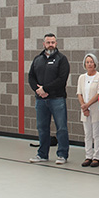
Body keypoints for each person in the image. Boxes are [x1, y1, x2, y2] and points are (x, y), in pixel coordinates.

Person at [28, 33, 71, 164]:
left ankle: (62, 154)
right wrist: (38, 90)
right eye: (48, 42)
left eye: (53, 42)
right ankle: (42, 155)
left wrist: (45, 89)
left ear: (56, 43)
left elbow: (62, 79)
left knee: (61, 127)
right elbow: (31, 77)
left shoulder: (61, 59)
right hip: (40, 100)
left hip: (57, 99)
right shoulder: (37, 59)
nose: (51, 44)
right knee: (42, 127)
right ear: (44, 44)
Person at [76, 53, 99, 167]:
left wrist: (87, 105)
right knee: (87, 134)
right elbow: (79, 93)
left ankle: (96, 157)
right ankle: (88, 156)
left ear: (95, 63)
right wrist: (83, 106)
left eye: (91, 62)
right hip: (85, 110)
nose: (89, 64)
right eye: (87, 62)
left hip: (96, 109)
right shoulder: (82, 77)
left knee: (96, 134)